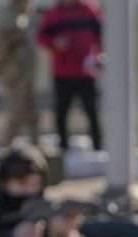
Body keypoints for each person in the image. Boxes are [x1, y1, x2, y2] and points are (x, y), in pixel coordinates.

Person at [37, 0, 105, 152]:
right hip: (63, 73)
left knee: (92, 110)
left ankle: (98, 146)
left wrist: (100, 54)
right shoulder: (54, 14)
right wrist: (54, 42)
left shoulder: (90, 10)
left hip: (86, 72)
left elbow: (103, 34)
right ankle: (63, 147)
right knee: (61, 111)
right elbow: (41, 37)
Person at [0, 0, 40, 145]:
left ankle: (35, 140)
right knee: (17, 108)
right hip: (15, 72)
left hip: (25, 72)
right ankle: (6, 142)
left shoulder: (23, 15)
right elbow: (13, 28)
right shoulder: (12, 16)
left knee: (31, 107)